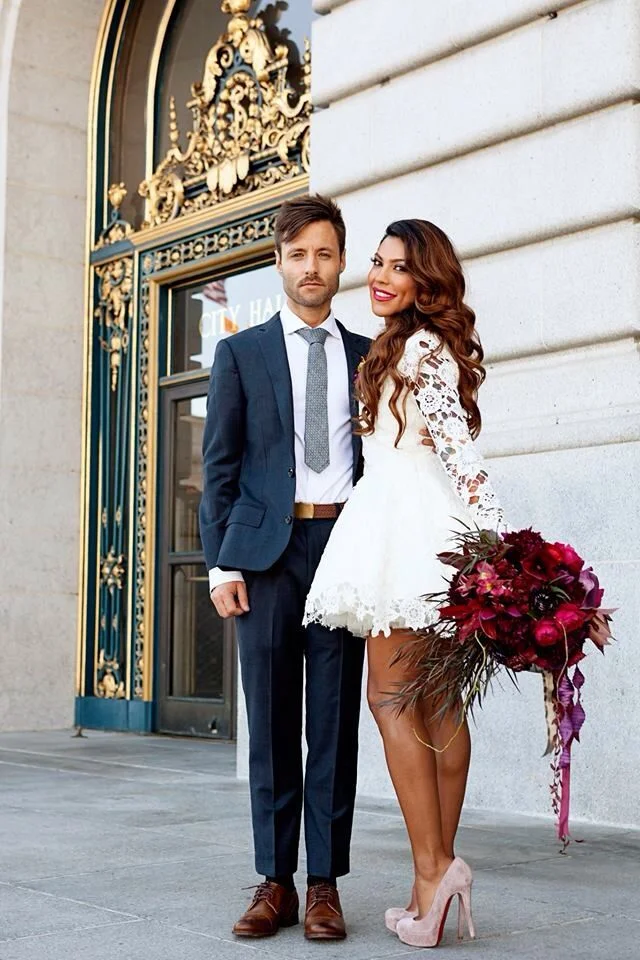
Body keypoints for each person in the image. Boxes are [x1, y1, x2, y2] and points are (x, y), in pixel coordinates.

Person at [304, 219, 509, 948]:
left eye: (399, 267)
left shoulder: (420, 348)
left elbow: (462, 454)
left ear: (429, 280)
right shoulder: (412, 346)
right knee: (439, 710)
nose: (380, 276)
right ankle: (437, 879)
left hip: (411, 529)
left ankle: (432, 874)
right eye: (377, 263)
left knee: (391, 701)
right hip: (421, 527)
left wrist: (504, 551)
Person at [199, 194, 371, 941]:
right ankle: (275, 881)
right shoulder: (240, 352)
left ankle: (326, 883)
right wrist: (219, 565)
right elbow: (220, 470)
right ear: (279, 262)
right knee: (269, 720)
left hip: (343, 550)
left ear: (341, 263)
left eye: (324, 253)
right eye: (298, 254)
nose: (312, 266)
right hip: (264, 558)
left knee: (333, 721)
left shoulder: (371, 357)